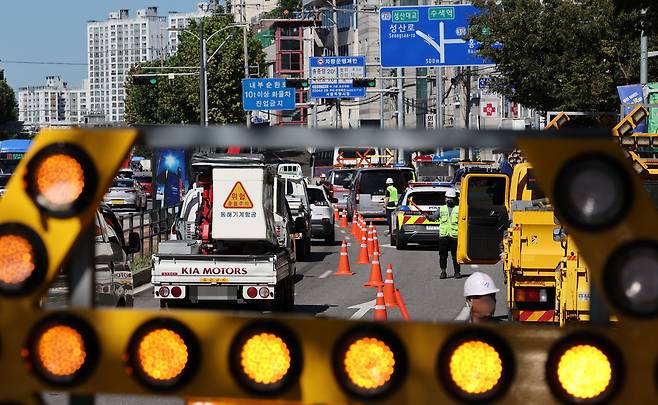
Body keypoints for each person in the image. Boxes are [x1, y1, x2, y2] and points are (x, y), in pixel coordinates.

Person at [430, 188, 460, 279]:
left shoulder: (459, 209)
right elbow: (434, 217)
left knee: (456, 257)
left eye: (451, 198)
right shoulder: (441, 209)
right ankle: (443, 272)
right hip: (443, 236)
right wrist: (429, 217)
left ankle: (457, 272)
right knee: (443, 256)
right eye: (447, 198)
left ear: (454, 199)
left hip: (455, 236)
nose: (448, 200)